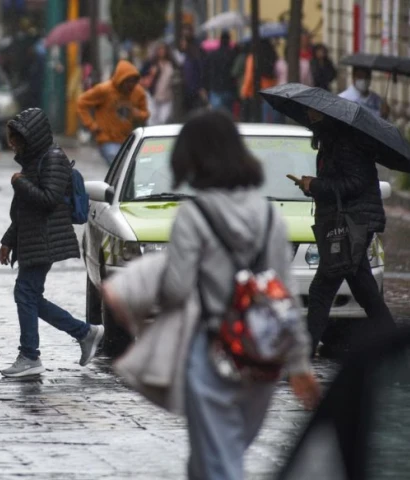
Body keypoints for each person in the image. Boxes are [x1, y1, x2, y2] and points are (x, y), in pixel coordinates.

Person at [149, 110, 319, 479]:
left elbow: (176, 289)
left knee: (219, 462)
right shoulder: (269, 216)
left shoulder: (193, 216)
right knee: (216, 456)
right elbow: (286, 296)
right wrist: (299, 363)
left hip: (211, 352)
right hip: (261, 355)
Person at [0, 108, 105, 377]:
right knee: (30, 295)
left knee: (25, 293)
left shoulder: (53, 158)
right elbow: (23, 211)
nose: (12, 144)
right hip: (32, 237)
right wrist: (8, 241)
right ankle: (84, 332)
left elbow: (48, 199)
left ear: (31, 136)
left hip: (45, 238)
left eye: (16, 139)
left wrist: (20, 183)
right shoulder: (33, 161)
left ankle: (30, 355)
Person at [294, 109, 396, 356]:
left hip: (353, 224)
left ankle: (304, 356)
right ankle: (396, 349)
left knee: (321, 290)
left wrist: (315, 185)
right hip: (350, 224)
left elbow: (354, 183)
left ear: (325, 116)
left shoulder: (345, 143)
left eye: (313, 114)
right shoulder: (331, 141)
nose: (309, 118)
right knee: (365, 291)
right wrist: (311, 186)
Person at [77, 60, 149, 165]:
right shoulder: (104, 90)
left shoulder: (138, 92)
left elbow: (145, 114)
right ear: (121, 80)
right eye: (128, 82)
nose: (131, 86)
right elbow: (81, 103)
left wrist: (137, 114)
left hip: (129, 140)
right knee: (118, 163)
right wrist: (92, 125)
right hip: (108, 140)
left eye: (134, 82)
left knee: (130, 169)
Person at [240, 39, 280, 123]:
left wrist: (244, 92)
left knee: (258, 120)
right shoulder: (273, 56)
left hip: (256, 93)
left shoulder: (253, 57)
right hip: (272, 92)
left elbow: (249, 77)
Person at [141, 42, 176, 126]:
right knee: (152, 118)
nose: (162, 51)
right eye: (159, 49)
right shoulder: (151, 63)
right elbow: (141, 77)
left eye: (163, 49)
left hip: (167, 95)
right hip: (153, 96)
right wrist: (151, 74)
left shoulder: (171, 63)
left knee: (164, 118)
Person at [203, 31, 238, 113]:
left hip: (215, 88)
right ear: (229, 40)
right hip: (228, 87)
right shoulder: (232, 54)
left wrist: (206, 86)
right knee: (228, 113)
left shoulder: (213, 54)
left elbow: (206, 71)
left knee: (217, 114)